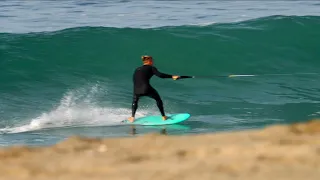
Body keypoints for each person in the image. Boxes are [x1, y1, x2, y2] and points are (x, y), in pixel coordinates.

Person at [128, 55, 192, 123]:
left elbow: (135, 79)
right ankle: (163, 116)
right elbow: (160, 75)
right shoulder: (151, 68)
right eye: (152, 60)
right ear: (149, 61)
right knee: (158, 99)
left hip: (136, 89)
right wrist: (172, 76)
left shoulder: (137, 69)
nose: (153, 62)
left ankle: (132, 117)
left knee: (135, 101)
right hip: (146, 88)